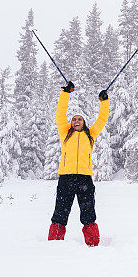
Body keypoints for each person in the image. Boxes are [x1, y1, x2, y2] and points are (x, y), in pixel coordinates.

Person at [47, 81, 110, 246]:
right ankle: (54, 244)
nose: (76, 120)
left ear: (84, 123)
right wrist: (66, 93)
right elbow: (60, 114)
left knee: (88, 213)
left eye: (79, 119)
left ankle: (93, 244)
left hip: (84, 179)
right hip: (66, 178)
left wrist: (104, 102)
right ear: (71, 123)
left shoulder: (91, 135)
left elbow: (102, 119)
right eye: (74, 119)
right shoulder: (65, 133)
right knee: (60, 212)